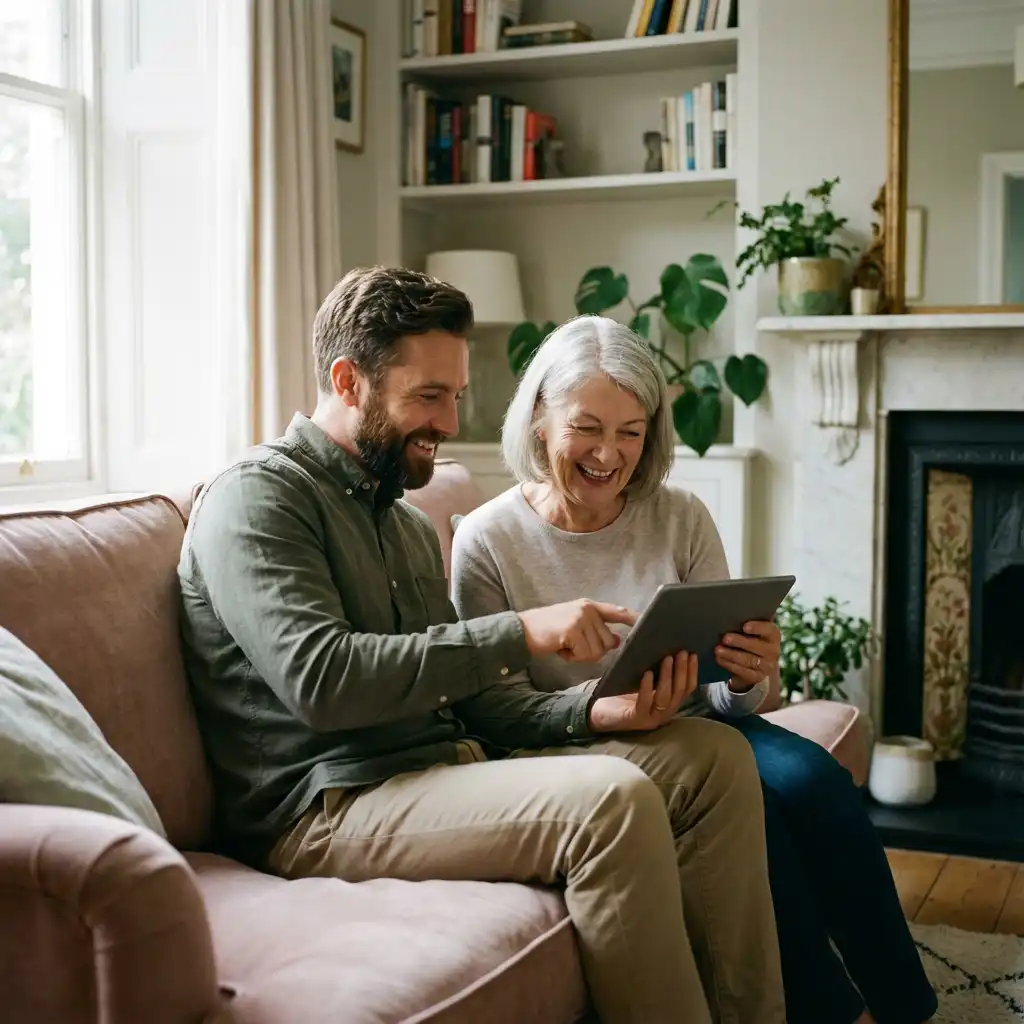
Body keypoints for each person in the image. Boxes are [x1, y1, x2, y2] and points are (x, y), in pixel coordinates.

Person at [177, 266, 786, 1024]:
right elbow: (323, 680)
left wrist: (595, 711)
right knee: (612, 801)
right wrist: (520, 632)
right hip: (327, 807)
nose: (448, 418)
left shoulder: (398, 521)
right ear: (348, 380)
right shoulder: (256, 497)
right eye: (429, 396)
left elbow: (475, 707)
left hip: (439, 768)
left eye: (456, 395)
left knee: (713, 758)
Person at [450, 314, 939, 1024]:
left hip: (699, 720)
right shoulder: (487, 541)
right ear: (537, 422)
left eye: (631, 431)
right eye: (587, 427)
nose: (609, 454)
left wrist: (746, 678)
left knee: (817, 782)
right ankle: (831, 1012)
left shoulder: (680, 516)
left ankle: (907, 1006)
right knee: (758, 807)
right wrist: (601, 707)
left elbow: (737, 696)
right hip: (585, 741)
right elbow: (494, 709)